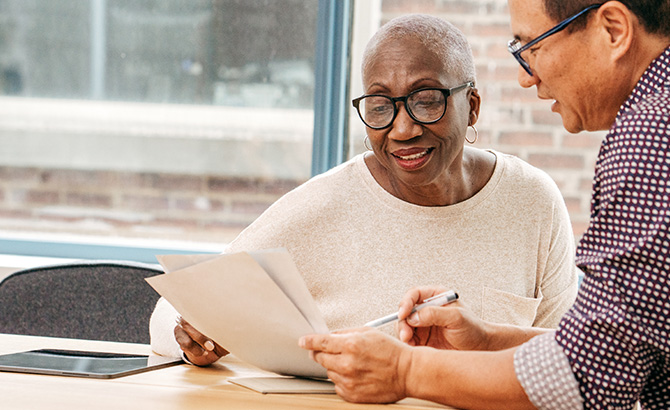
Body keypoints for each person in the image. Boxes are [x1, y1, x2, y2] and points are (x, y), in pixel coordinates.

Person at [149, 14, 579, 368]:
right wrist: (193, 337)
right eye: (379, 106)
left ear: (473, 107)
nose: (403, 128)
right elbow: (174, 309)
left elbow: (570, 363)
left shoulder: (533, 202)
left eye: (426, 99)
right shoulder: (322, 206)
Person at [300, 1, 670, 409]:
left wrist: (406, 371)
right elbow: (632, 350)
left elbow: (588, 376)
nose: (526, 76)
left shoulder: (650, 137)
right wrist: (488, 342)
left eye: (534, 46)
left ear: (614, 30)